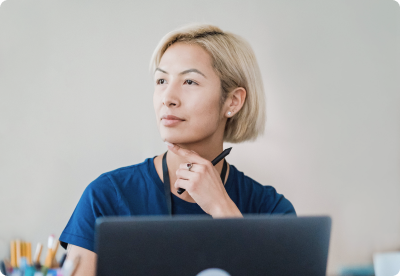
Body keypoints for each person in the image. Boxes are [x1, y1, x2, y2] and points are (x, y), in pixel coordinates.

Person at [60, 23, 296, 276]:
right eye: (161, 80)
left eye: (190, 81)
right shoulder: (106, 196)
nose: (168, 97)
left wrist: (222, 210)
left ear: (233, 101)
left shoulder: (272, 211)